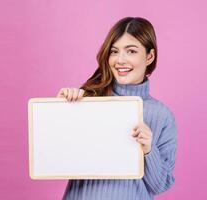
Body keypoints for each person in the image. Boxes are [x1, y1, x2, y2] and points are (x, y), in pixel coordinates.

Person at [57, 17, 177, 200]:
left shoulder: (162, 115)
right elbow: (58, 161)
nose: (120, 60)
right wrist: (61, 112)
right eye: (114, 51)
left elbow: (160, 185)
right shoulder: (87, 100)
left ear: (149, 56)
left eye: (131, 51)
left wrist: (148, 150)